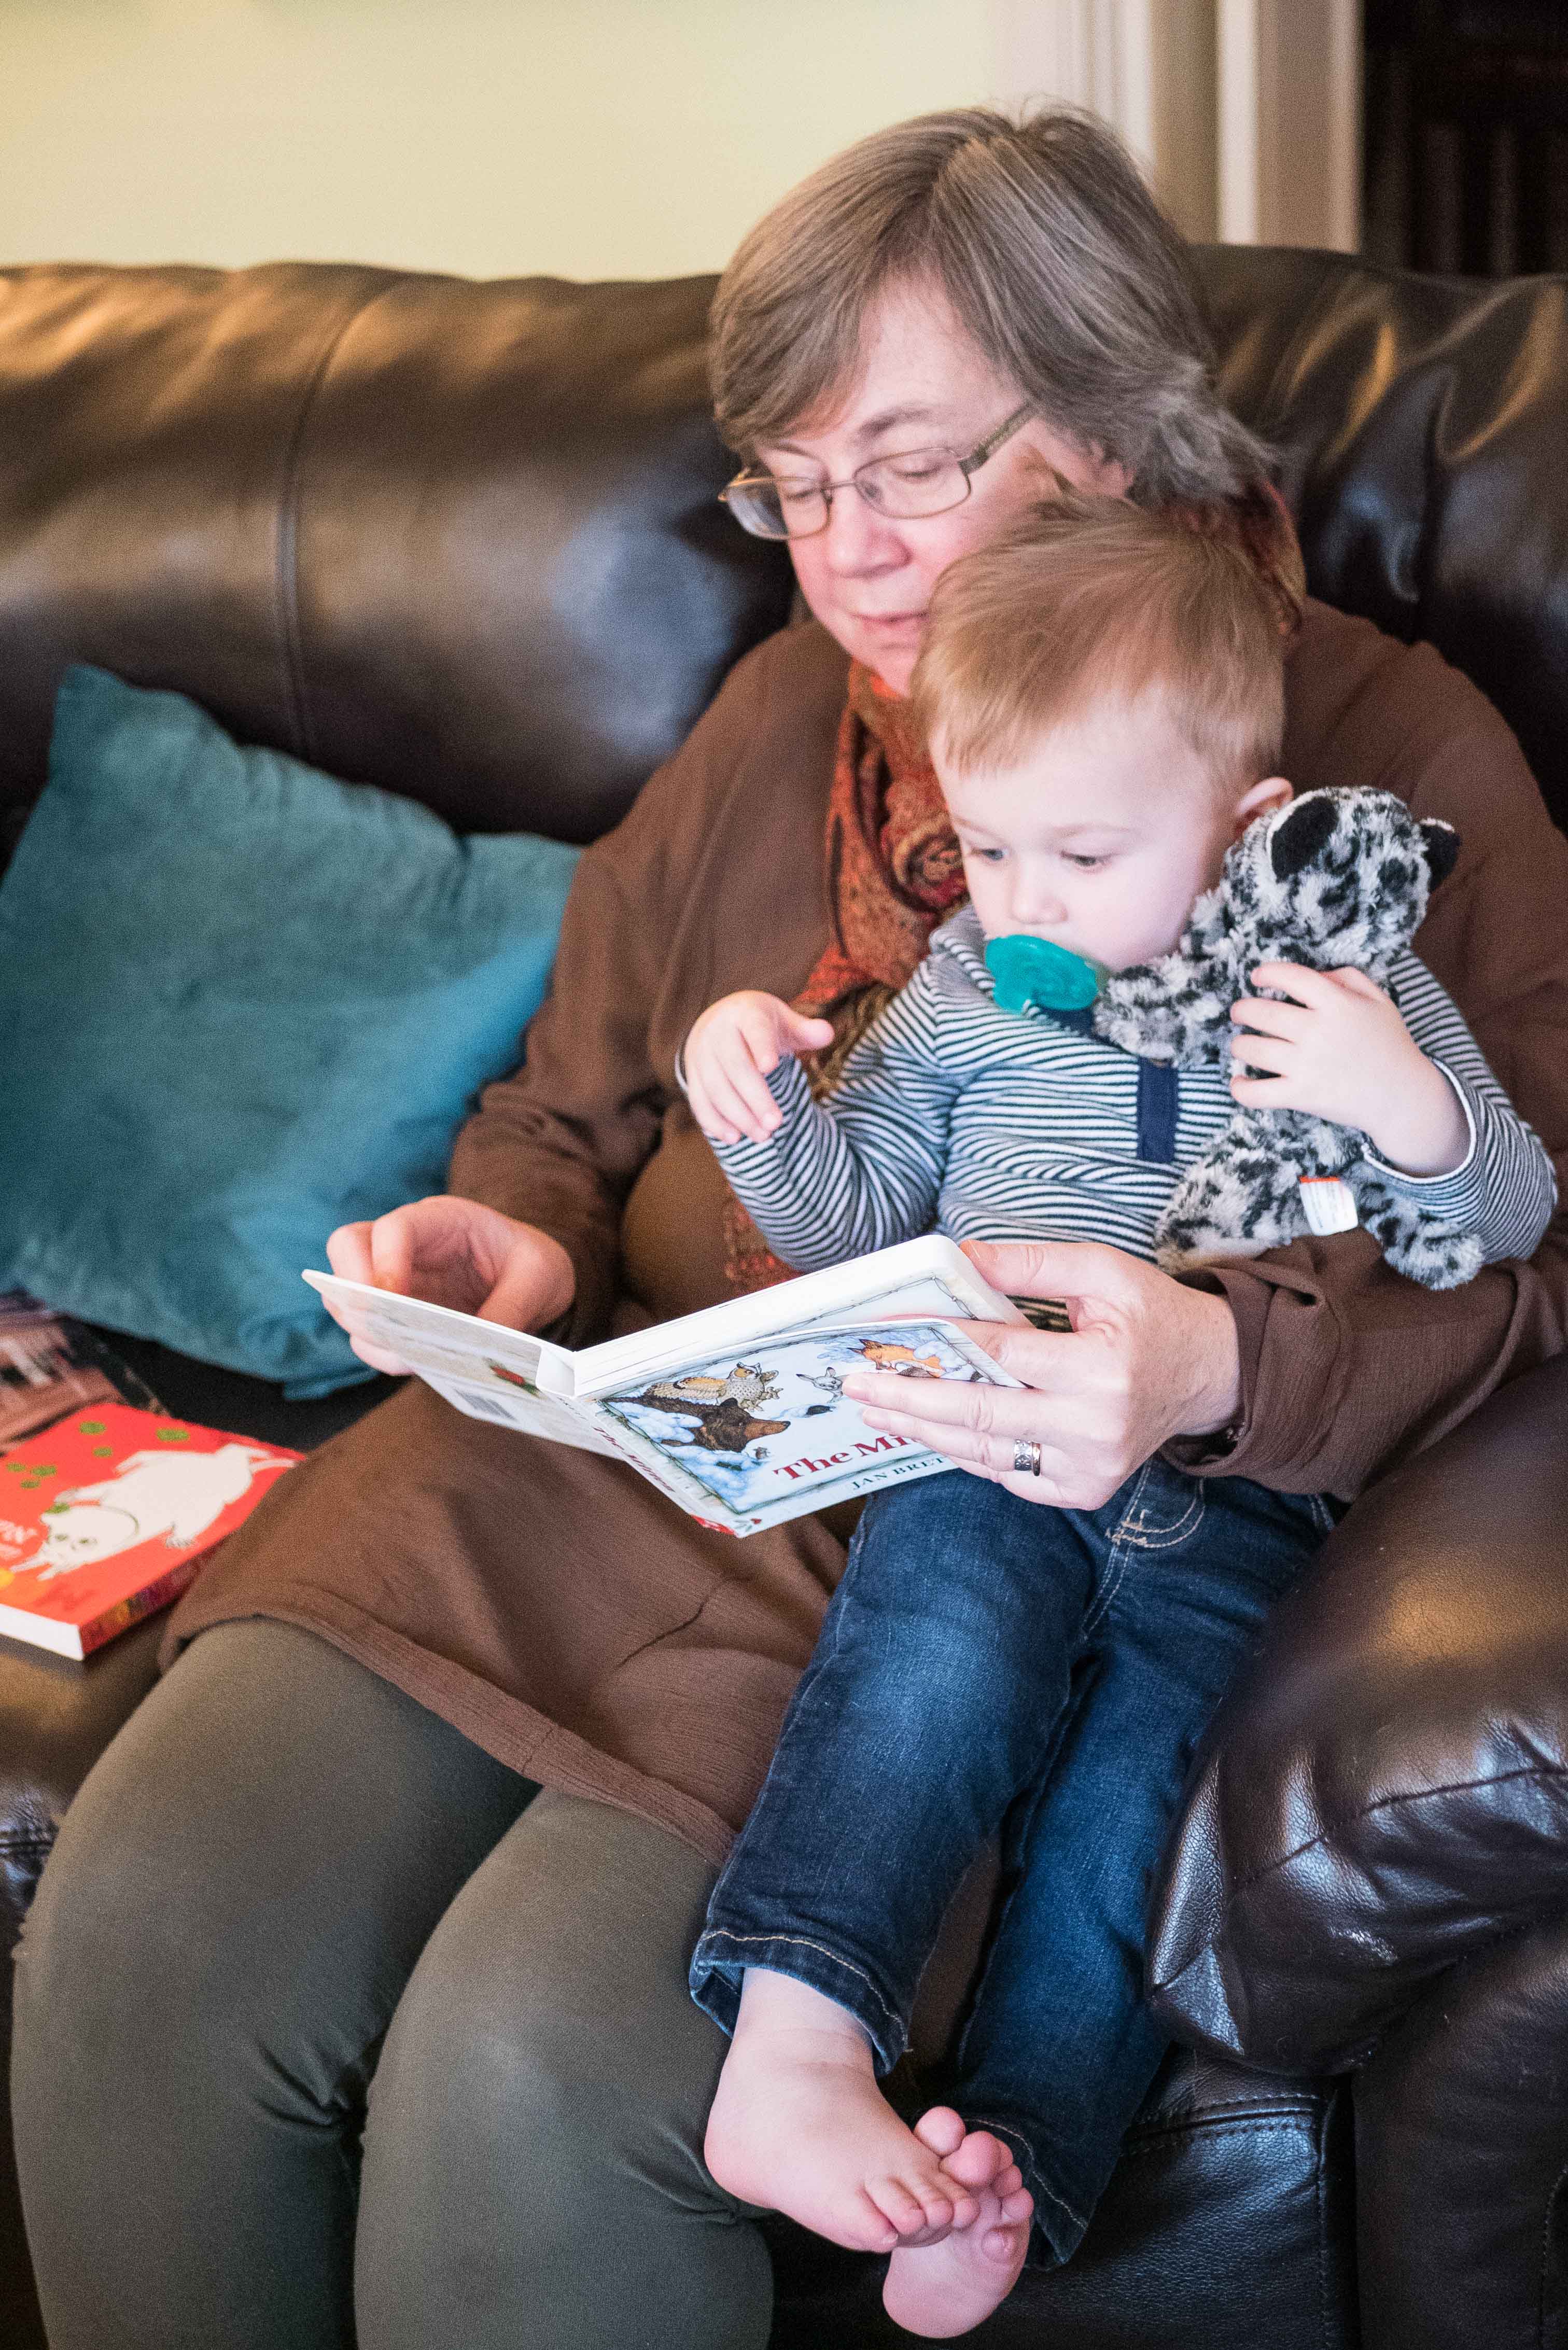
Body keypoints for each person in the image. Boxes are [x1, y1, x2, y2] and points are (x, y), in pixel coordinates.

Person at [12, 108, 1568, 2350]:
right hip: (605, 1452)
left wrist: (1221, 1366)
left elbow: (1522, 1246)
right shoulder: (772, 722)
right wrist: (508, 1244)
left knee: (535, 2072)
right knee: (145, 1909)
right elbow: (562, 1105)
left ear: (1118, 427)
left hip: (958, 1545)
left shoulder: (1371, 764)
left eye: (911, 467)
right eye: (794, 483)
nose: (844, 552)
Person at [678, 493, 1557, 2337]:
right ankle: (797, 2034)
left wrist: (1400, 1095)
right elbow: (855, 1220)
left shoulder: (1341, 990)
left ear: (1237, 827)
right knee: (923, 1659)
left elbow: (1499, 1228)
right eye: (989, 848)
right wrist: (766, 1112)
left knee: (1129, 1809)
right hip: (990, 1435)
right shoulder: (966, 995)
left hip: (1244, 1511)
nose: (1026, 905)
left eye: (1080, 853)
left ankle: (1004, 2169)